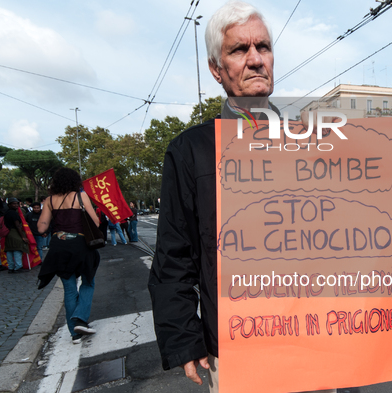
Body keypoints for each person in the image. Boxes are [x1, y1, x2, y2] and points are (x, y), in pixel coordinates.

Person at [148, 3, 305, 392]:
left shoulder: (314, 143)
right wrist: (184, 337)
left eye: (264, 47)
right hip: (238, 344)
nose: (255, 59)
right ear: (217, 69)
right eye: (239, 50)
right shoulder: (190, 151)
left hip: (316, 336)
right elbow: (174, 254)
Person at [37, 167, 100, 344]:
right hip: (80, 245)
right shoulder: (81, 196)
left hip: (59, 247)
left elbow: (41, 228)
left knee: (69, 288)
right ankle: (80, 318)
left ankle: (74, 334)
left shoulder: (49, 201)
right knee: (88, 281)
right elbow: (95, 221)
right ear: (75, 181)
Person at [3, 198, 29, 273]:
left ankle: (10, 267)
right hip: (14, 232)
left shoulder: (7, 212)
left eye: (16, 203)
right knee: (17, 249)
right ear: (9, 205)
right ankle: (18, 266)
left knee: (9, 250)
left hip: (8, 233)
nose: (15, 205)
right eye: (13, 203)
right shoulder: (14, 213)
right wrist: (23, 237)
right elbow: (17, 225)